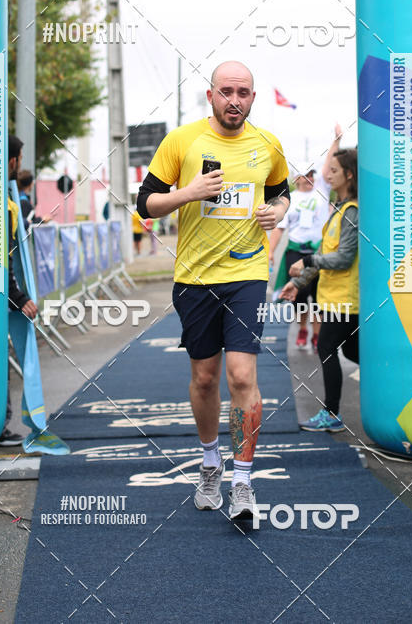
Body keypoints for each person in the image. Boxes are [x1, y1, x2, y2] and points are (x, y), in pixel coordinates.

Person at [137, 61, 290, 520]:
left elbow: (282, 193)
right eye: (227, 91)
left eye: (244, 92)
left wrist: (277, 212)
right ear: (211, 96)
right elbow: (145, 202)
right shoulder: (181, 141)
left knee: (242, 377)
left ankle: (243, 480)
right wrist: (189, 193)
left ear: (252, 98)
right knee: (205, 378)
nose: (235, 100)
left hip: (246, 275)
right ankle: (210, 463)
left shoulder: (268, 144)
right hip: (195, 279)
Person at [280, 148, 359, 432]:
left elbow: (344, 258)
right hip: (335, 298)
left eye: (334, 171)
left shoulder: (352, 212)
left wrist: (308, 260)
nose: (327, 175)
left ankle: (332, 414)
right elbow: (328, 252)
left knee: (327, 347)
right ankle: (392, 389)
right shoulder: (339, 208)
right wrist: (297, 283)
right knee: (353, 352)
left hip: (346, 301)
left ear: (349, 175)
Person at [269, 124, 342, 350]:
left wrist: (337, 140)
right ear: (297, 177)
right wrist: (270, 251)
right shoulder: (291, 198)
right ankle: (302, 328)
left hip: (319, 251)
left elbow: (329, 162)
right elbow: (280, 228)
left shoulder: (321, 189)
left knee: (319, 295)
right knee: (300, 295)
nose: (309, 178)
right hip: (295, 251)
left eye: (311, 174)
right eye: (304, 174)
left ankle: (316, 334)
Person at [0, 137, 38, 447]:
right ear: (11, 160)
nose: (20, 163)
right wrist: (18, 297)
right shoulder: (0, 202)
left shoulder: (6, 198)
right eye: (19, 157)